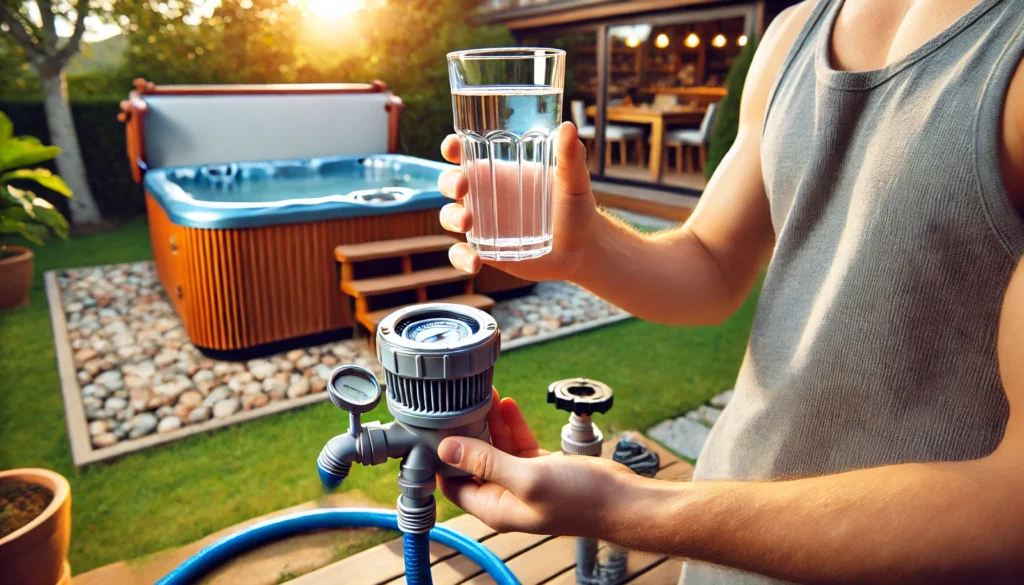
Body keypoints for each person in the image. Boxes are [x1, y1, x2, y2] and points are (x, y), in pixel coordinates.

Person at [433, 0, 1024, 583]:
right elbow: (712, 267)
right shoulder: (794, 33)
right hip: (721, 556)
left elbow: (1013, 505)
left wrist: (626, 508)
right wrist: (583, 246)